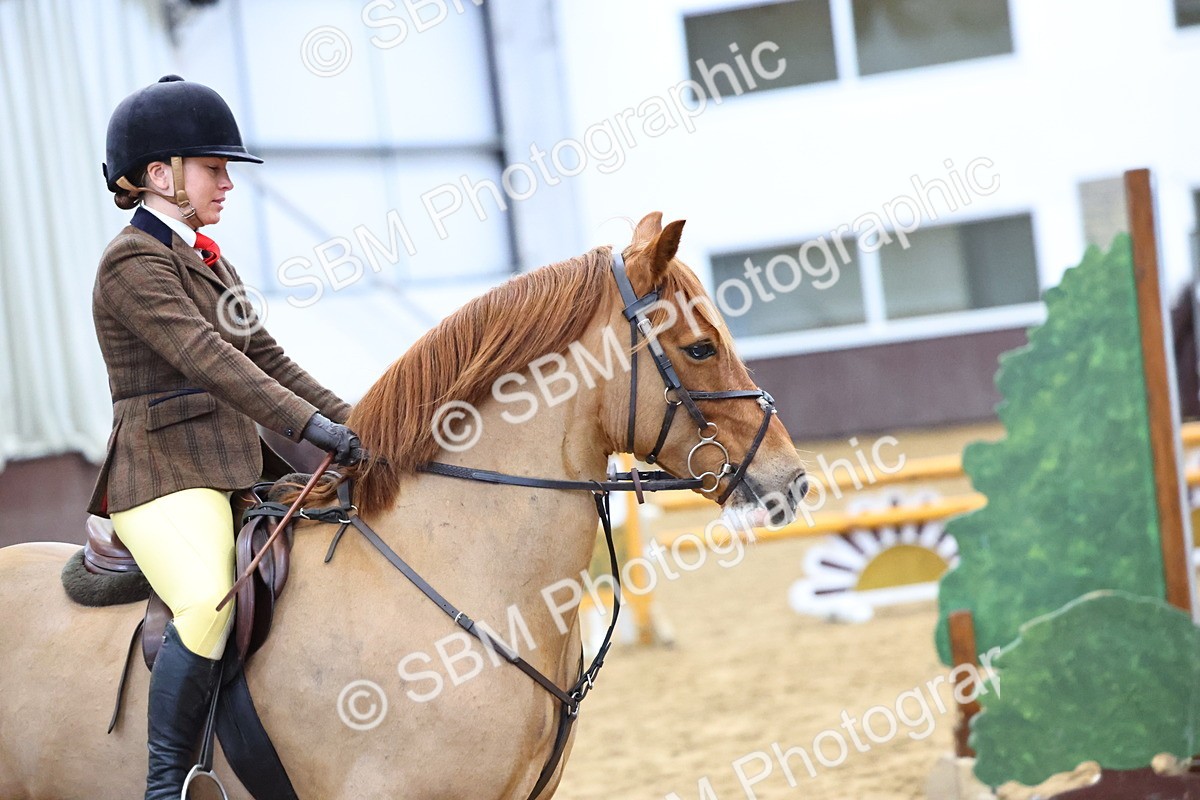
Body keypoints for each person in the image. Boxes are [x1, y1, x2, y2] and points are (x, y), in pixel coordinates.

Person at [88, 75, 361, 799]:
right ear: (161, 175)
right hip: (164, 475)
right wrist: (311, 427)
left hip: (235, 466)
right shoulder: (130, 263)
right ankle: (166, 786)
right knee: (209, 602)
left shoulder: (209, 260)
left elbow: (267, 358)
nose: (228, 183)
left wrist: (362, 420)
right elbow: (210, 360)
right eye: (214, 168)